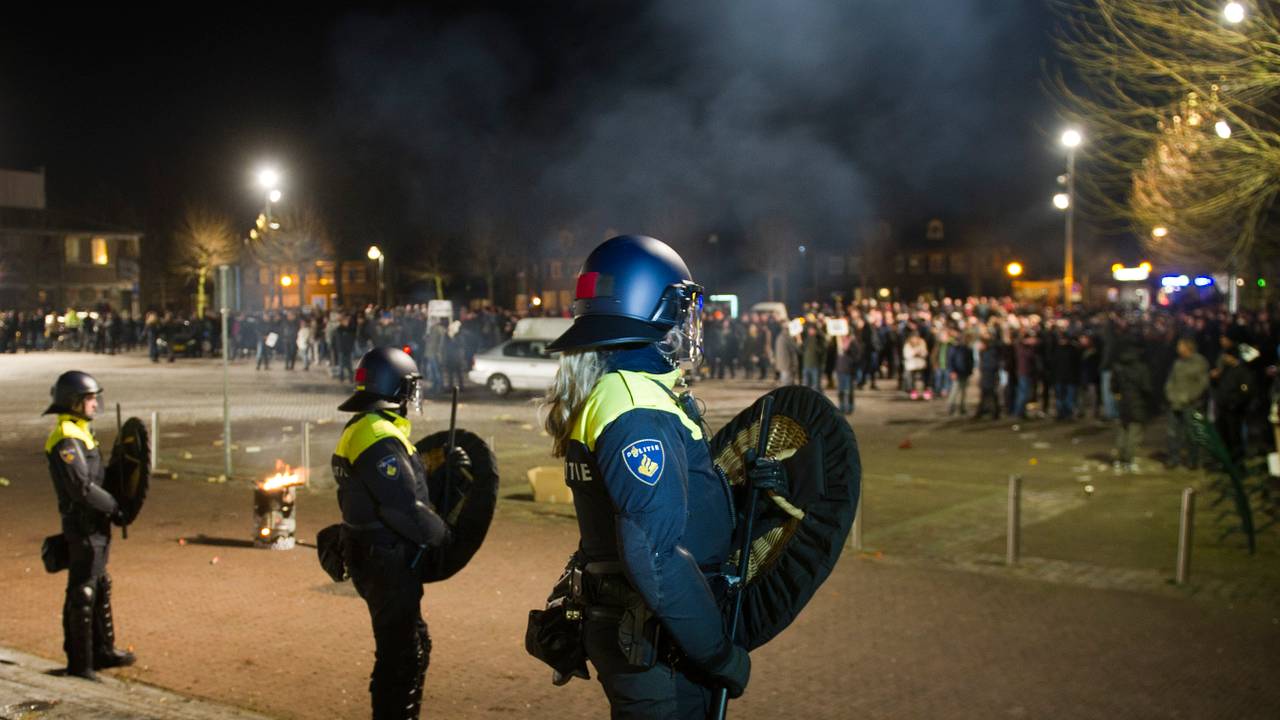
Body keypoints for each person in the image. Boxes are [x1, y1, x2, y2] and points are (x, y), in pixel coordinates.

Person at [543, 235, 752, 718]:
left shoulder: (618, 390)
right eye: (681, 306)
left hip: (646, 632)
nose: (687, 321)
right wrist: (717, 653)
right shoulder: (635, 406)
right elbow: (654, 554)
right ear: (648, 307)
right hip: (657, 644)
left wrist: (739, 493)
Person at [331, 347, 470, 719]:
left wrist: (442, 472)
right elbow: (403, 506)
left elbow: (396, 488)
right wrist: (445, 539)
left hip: (373, 555)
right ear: (398, 390)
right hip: (385, 561)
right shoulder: (378, 437)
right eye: (411, 388)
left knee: (408, 648)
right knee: (401, 657)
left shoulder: (364, 429)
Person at [44, 371, 135, 680]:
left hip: (96, 522)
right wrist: (114, 507)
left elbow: (97, 477)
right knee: (82, 590)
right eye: (90, 398)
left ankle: (102, 650)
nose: (95, 404)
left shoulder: (81, 431)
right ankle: (80, 663)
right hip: (83, 524)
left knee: (98, 585)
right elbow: (81, 487)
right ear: (74, 402)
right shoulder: (66, 437)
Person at [1164, 337, 1209, 469]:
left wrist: (1190, 397)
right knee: (1173, 433)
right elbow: (1170, 381)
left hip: (1191, 404)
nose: (1177, 348)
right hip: (1175, 403)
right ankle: (1174, 459)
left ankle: (1193, 460)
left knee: (1192, 434)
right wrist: (1170, 395)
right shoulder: (1177, 363)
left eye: (1180, 345)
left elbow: (1202, 384)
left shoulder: (1199, 362)